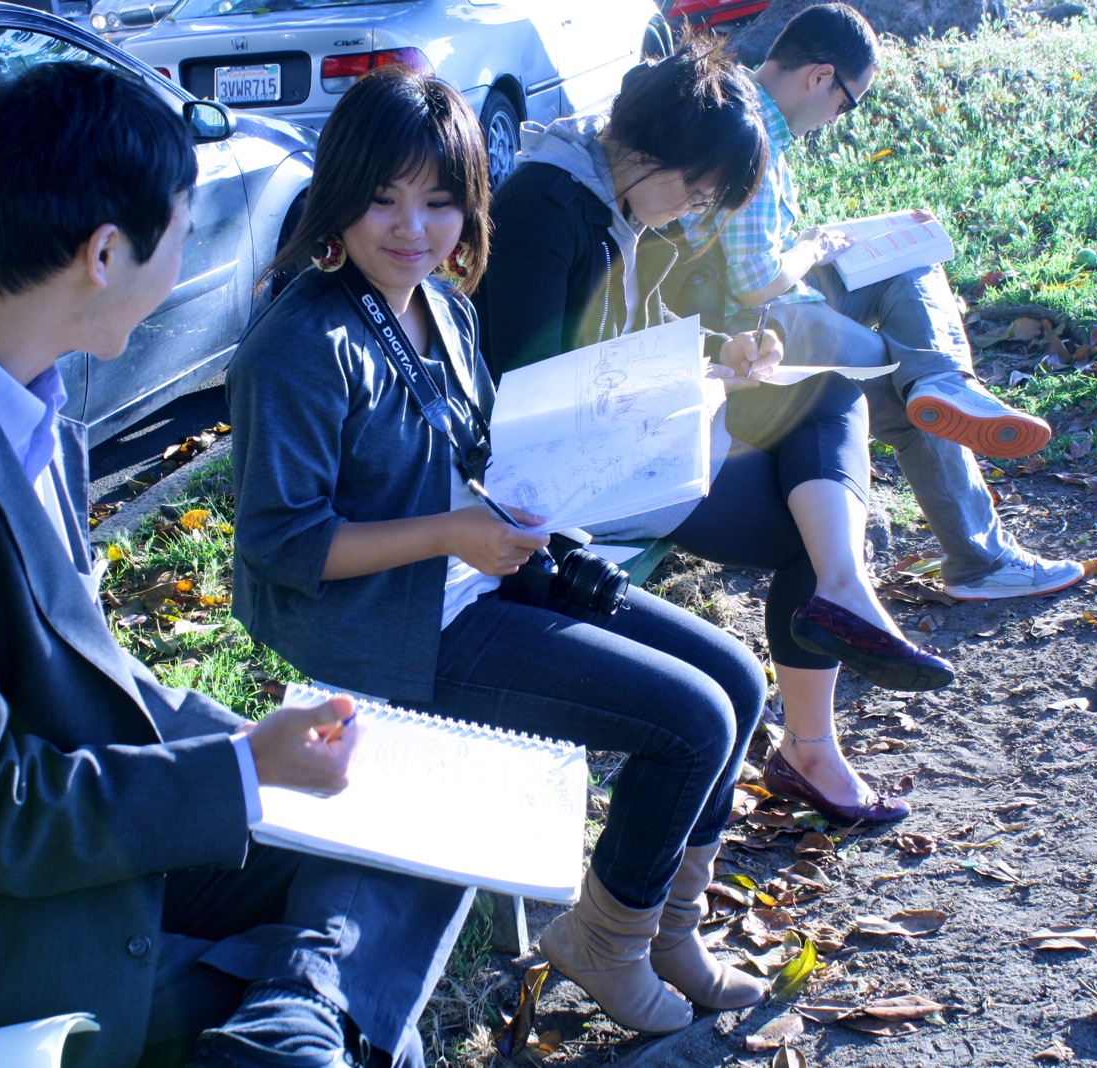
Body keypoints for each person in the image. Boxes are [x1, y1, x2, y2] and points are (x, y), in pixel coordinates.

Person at [0, 62, 471, 1068]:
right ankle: (292, 1018)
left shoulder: (9, 377)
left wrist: (250, 748)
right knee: (328, 953)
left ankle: (289, 1013)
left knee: (416, 835)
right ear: (103, 253)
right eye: (178, 234)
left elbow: (87, 673)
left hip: (58, 850)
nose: (189, 260)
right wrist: (240, 774)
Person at [230, 65, 769, 1036]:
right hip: (384, 626)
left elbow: (479, 459)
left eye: (439, 201)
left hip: (479, 575)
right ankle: (604, 942)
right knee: (690, 719)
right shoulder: (300, 342)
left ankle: (665, 926)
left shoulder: (439, 307)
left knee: (733, 676)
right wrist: (453, 534)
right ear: (337, 194)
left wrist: (546, 534)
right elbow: (281, 548)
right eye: (382, 199)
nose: (411, 228)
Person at [476, 42, 938, 831]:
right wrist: (694, 386)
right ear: (651, 149)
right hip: (574, 481)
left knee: (826, 385)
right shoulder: (548, 209)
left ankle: (839, 598)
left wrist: (715, 356)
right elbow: (531, 397)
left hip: (638, 441)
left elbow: (621, 344)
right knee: (809, 525)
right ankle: (814, 729)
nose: (693, 209)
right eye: (695, 188)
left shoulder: (617, 196)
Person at [677, 2, 1089, 604]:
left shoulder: (741, 100)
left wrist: (851, 237)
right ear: (820, 76)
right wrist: (813, 246)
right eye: (848, 102)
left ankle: (944, 382)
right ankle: (980, 561)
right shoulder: (752, 135)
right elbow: (754, 281)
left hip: (760, 306)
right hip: (752, 326)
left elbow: (740, 246)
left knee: (909, 260)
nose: (840, 118)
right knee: (902, 385)